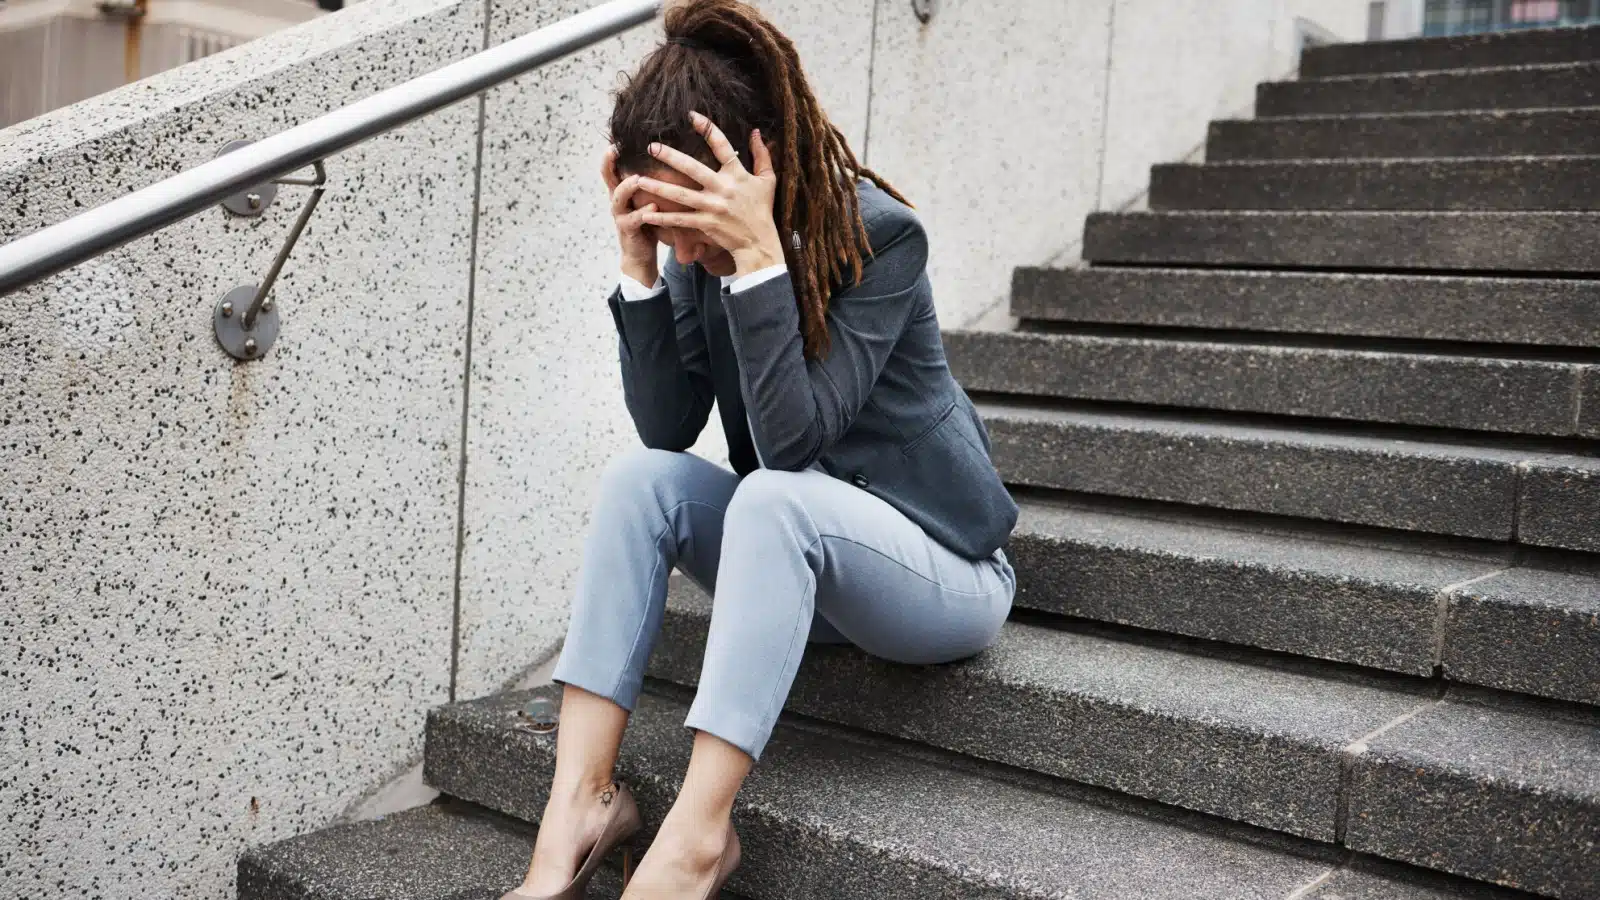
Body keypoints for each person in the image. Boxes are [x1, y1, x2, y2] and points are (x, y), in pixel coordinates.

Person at [503, 2, 1018, 897]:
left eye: (691, 224)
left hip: (942, 574)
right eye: (665, 225)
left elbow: (789, 450)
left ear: (757, 162)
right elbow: (667, 429)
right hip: (803, 570)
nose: (688, 248)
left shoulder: (880, 238)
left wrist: (757, 260)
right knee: (641, 481)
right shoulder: (693, 261)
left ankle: (699, 838)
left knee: (773, 498)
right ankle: (579, 805)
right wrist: (642, 270)